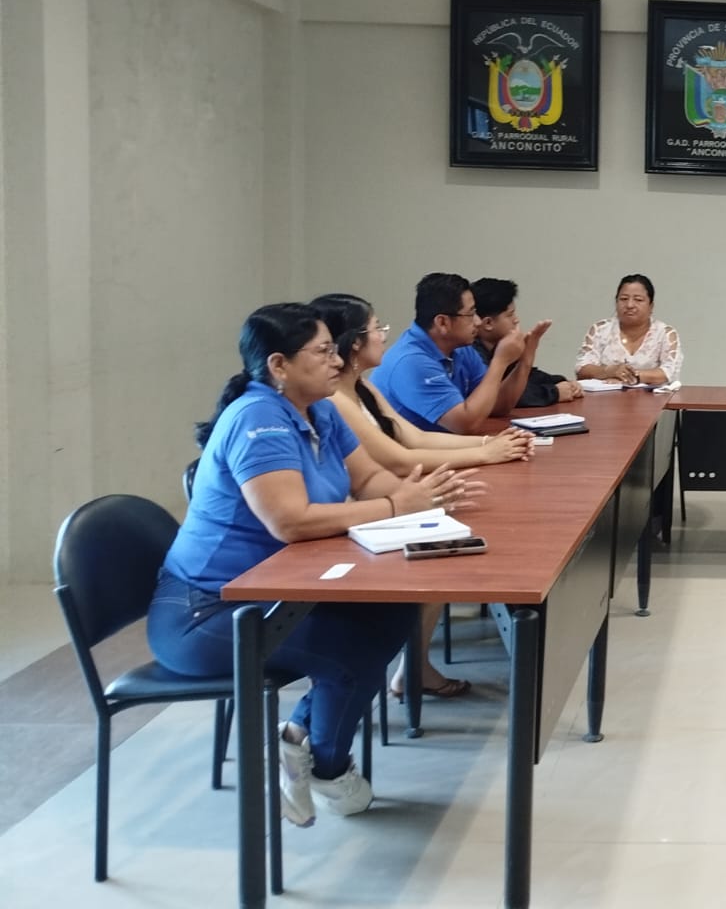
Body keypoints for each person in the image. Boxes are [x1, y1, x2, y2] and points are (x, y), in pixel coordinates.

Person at [147, 303, 473, 827]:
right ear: (279, 365)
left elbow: (367, 479)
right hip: (206, 612)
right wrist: (396, 507)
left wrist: (416, 499)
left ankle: (296, 739)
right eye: (322, 352)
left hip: (277, 590)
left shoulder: (317, 408)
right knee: (350, 650)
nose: (336, 361)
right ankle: (328, 768)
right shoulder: (257, 418)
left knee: (393, 611)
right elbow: (291, 522)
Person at [313, 292, 534, 700]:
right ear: (354, 343)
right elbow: (397, 459)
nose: (384, 335)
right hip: (360, 512)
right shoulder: (335, 401)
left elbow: (413, 437)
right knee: (442, 548)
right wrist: (485, 454)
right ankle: (411, 667)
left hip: (387, 497)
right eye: (377, 328)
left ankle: (414, 665)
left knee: (456, 533)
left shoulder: (362, 388)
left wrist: (489, 444)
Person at [370, 272, 544, 433]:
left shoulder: (461, 348)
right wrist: (500, 361)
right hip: (403, 454)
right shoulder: (411, 362)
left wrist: (526, 357)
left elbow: (497, 405)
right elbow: (464, 425)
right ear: (442, 322)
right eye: (470, 314)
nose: (477, 322)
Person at [471, 277, 582, 407]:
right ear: (488, 323)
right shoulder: (471, 353)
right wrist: (555, 392)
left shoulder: (499, 346)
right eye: (510, 315)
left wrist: (562, 382)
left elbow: (527, 377)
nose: (516, 320)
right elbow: (503, 397)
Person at [574, 273, 683, 386]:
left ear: (651, 306)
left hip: (653, 396)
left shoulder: (664, 333)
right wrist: (609, 371)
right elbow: (582, 369)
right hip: (604, 396)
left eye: (638, 300)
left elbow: (668, 372)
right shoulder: (600, 330)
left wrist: (631, 376)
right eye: (624, 299)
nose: (630, 305)